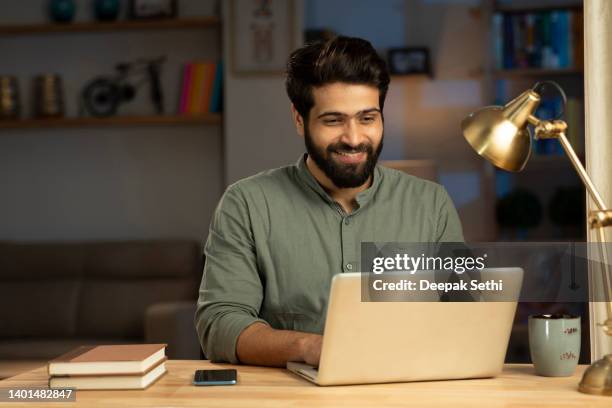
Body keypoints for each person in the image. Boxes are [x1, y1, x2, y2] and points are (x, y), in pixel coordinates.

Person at [194, 36, 464, 367]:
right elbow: (219, 325)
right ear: (299, 119)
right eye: (333, 120)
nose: (353, 138)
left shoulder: (431, 203)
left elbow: (467, 314)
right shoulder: (246, 204)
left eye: (367, 118)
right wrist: (311, 347)